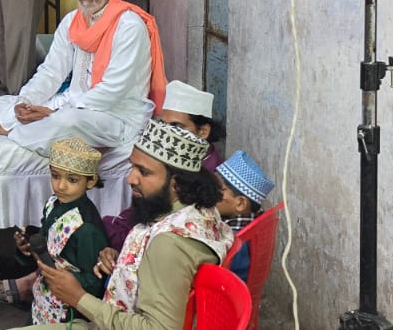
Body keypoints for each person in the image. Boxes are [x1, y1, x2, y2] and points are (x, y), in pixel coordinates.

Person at [20, 120, 233, 330]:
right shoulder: (199, 211)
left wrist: (78, 297)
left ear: (176, 184)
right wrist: (125, 259)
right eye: (133, 167)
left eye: (144, 172)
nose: (130, 179)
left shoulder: (169, 244)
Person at [0, 0, 166, 155]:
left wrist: (53, 111)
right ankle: (27, 123)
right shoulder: (73, 20)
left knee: (67, 121)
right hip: (74, 103)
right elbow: (51, 71)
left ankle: (6, 130)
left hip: (117, 115)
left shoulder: (129, 26)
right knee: (5, 102)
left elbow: (113, 91)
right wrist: (27, 101)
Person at [101, 80, 224, 251]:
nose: (166, 133)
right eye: (163, 125)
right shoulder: (161, 160)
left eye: (176, 127)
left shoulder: (209, 177)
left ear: (203, 131)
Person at [21, 136, 110, 325]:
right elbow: (47, 241)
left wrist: (64, 279)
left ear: (90, 181)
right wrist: (28, 247)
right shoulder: (53, 203)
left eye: (72, 179)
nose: (61, 186)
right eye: (55, 176)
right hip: (44, 296)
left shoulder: (87, 229)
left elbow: (93, 283)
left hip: (67, 309)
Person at [214, 151, 273, 282]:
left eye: (217, 188)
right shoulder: (254, 218)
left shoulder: (236, 242)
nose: (210, 192)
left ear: (240, 203)